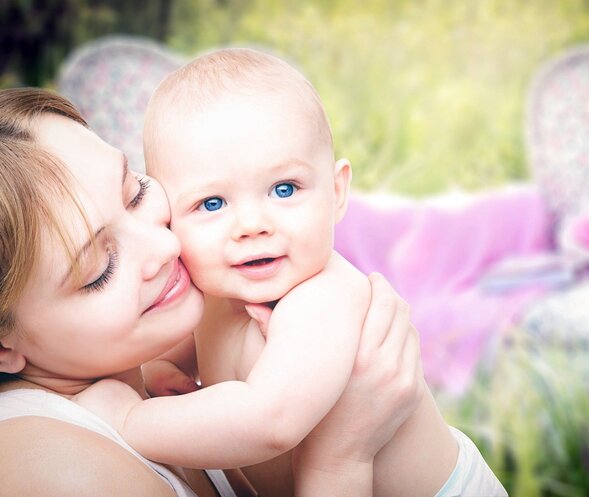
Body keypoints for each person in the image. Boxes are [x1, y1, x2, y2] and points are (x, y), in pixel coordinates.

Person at [0, 87, 425, 497]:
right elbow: (272, 424)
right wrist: (339, 459)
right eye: (99, 269)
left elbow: (267, 413)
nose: (167, 246)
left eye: (135, 193)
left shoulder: (305, 293)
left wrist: (157, 373)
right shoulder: (64, 472)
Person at [122, 47, 507, 497]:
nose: (252, 225)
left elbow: (270, 421)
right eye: (212, 203)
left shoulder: (322, 298)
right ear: (170, 216)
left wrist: (129, 420)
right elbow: (183, 349)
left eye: (284, 189)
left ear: (337, 192)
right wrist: (162, 368)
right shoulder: (213, 292)